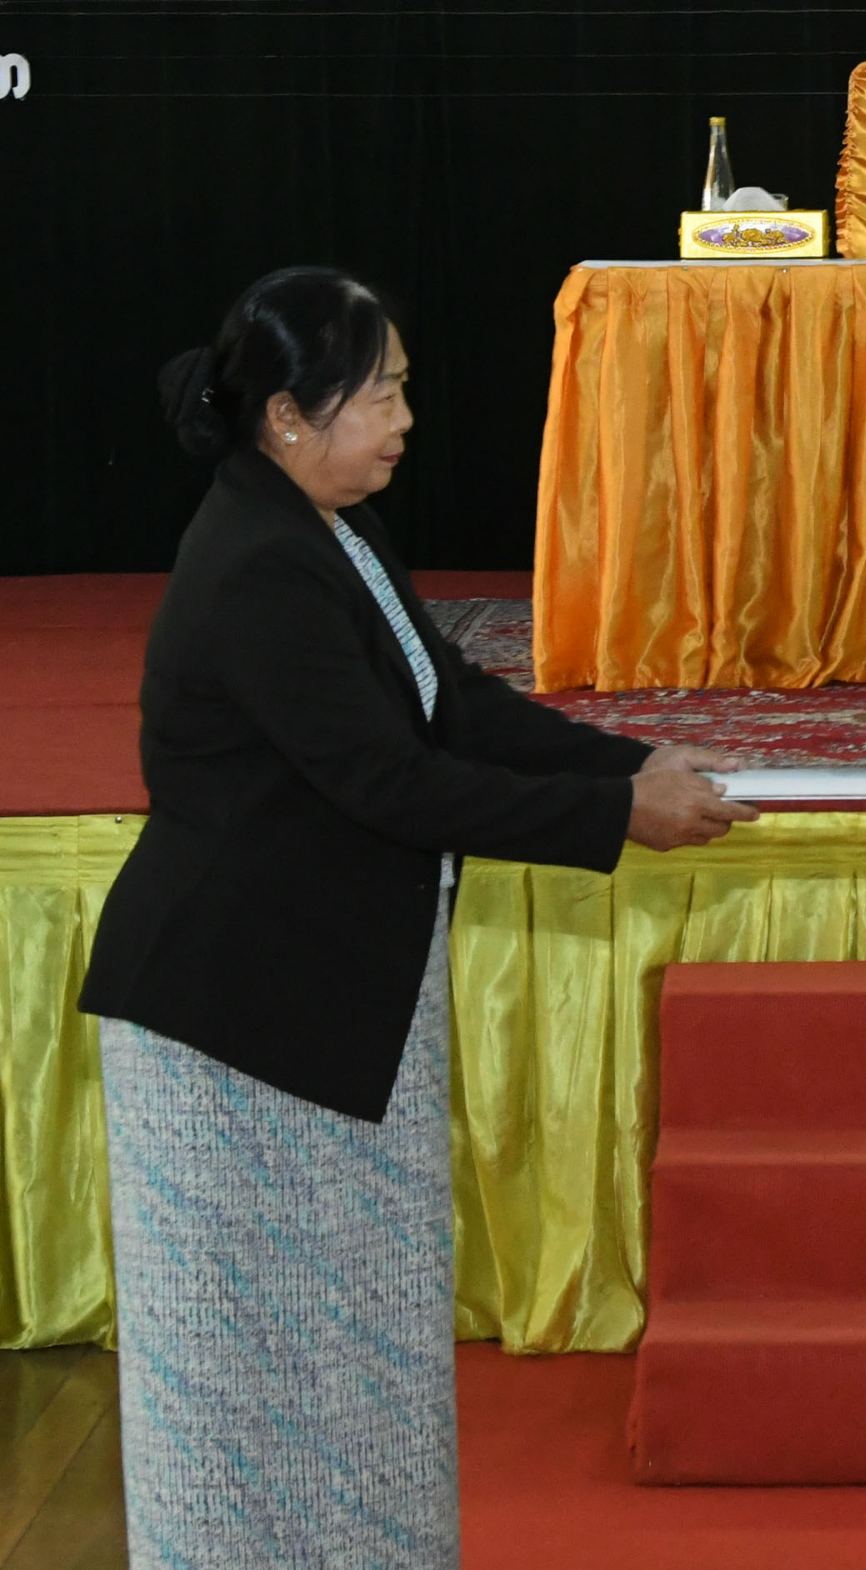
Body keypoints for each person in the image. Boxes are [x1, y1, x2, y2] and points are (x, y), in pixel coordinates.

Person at [78, 264, 756, 1569]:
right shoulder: (259, 565)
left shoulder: (331, 526)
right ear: (289, 415)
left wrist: (626, 763)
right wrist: (617, 817)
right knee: (249, 1376)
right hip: (229, 1021)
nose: (404, 417)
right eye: (379, 393)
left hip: (313, 999)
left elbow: (452, 702)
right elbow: (389, 782)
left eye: (401, 388)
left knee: (348, 1349)